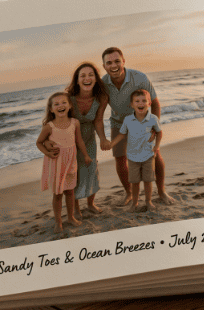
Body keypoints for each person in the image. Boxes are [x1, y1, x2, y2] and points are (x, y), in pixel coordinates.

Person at [101, 47, 173, 204]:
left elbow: (155, 103)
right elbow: (97, 109)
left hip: (143, 121)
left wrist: (154, 126)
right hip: (119, 123)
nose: (114, 66)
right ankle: (130, 194)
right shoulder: (102, 84)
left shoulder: (139, 78)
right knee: (120, 158)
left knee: (155, 154)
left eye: (117, 61)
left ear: (123, 61)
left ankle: (161, 191)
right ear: (104, 66)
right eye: (109, 63)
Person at [36, 92, 91, 232]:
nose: (60, 106)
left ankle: (71, 217)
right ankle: (58, 222)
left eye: (63, 102)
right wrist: (47, 153)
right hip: (56, 163)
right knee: (58, 194)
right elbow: (39, 142)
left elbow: (79, 141)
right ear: (51, 109)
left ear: (70, 105)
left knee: (70, 191)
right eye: (56, 104)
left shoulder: (74, 123)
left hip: (71, 161)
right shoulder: (49, 126)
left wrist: (85, 155)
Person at [66, 62, 109, 214]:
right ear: (77, 80)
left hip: (89, 138)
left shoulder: (101, 97)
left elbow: (98, 120)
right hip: (70, 141)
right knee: (74, 173)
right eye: (82, 75)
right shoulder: (68, 98)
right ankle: (76, 208)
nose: (87, 78)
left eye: (91, 75)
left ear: (96, 79)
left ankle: (91, 204)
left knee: (92, 169)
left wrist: (103, 138)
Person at [108, 89, 162, 210]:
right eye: (137, 101)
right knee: (135, 182)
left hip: (148, 155)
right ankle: (135, 203)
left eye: (144, 101)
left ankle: (148, 202)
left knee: (148, 181)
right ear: (132, 105)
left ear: (149, 103)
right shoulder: (128, 120)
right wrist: (112, 144)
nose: (140, 103)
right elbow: (122, 134)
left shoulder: (153, 118)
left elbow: (159, 133)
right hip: (132, 157)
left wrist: (156, 147)